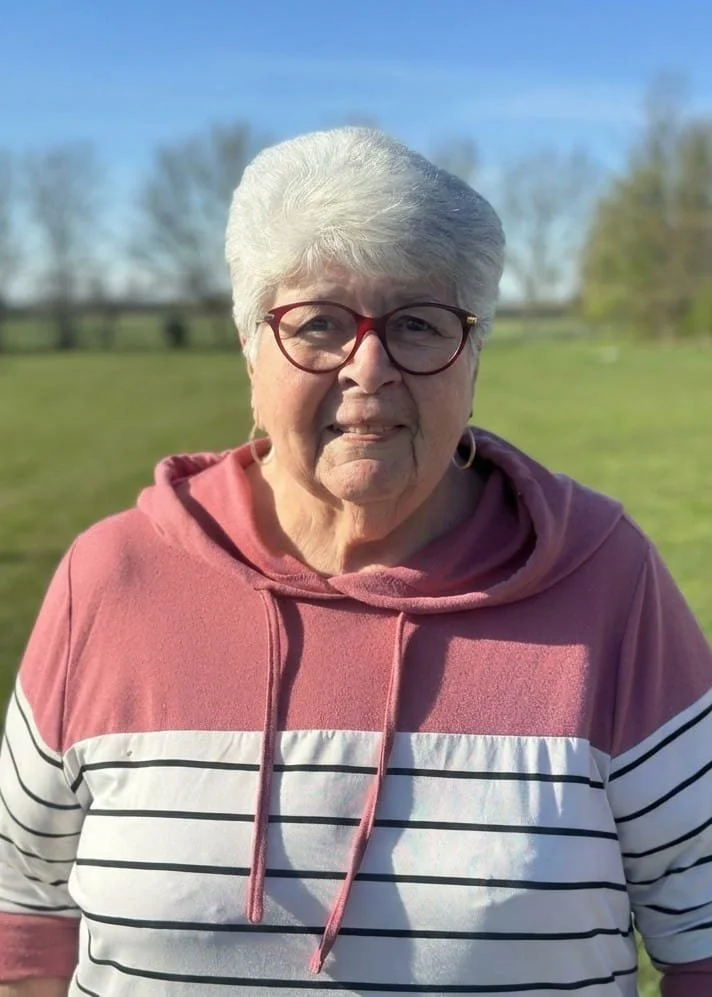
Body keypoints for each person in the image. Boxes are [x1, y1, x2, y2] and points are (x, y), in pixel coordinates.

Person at [1, 128, 710, 997]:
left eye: (419, 323)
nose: (368, 366)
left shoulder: (606, 581)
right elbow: (23, 917)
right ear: (250, 350)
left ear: (474, 356)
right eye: (320, 323)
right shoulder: (111, 578)